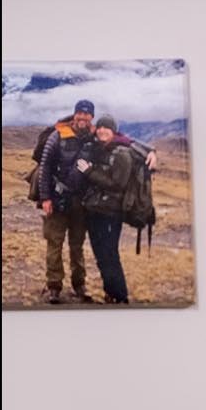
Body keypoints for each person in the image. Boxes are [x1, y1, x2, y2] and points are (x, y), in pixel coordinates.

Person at [33, 99, 95, 304]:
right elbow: (45, 168)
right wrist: (45, 198)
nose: (83, 117)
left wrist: (150, 152)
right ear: (74, 114)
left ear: (91, 117)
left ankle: (79, 284)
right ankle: (54, 287)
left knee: (77, 245)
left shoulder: (95, 138)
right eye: (80, 113)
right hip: (57, 200)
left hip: (81, 203)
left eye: (87, 114)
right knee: (54, 243)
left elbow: (120, 140)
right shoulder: (57, 136)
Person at [73, 114, 138, 305]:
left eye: (106, 128)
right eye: (99, 127)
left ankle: (120, 296)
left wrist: (90, 172)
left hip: (111, 213)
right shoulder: (102, 149)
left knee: (110, 254)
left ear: (113, 131)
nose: (102, 131)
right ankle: (110, 292)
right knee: (100, 255)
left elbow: (117, 184)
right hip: (95, 212)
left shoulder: (122, 153)